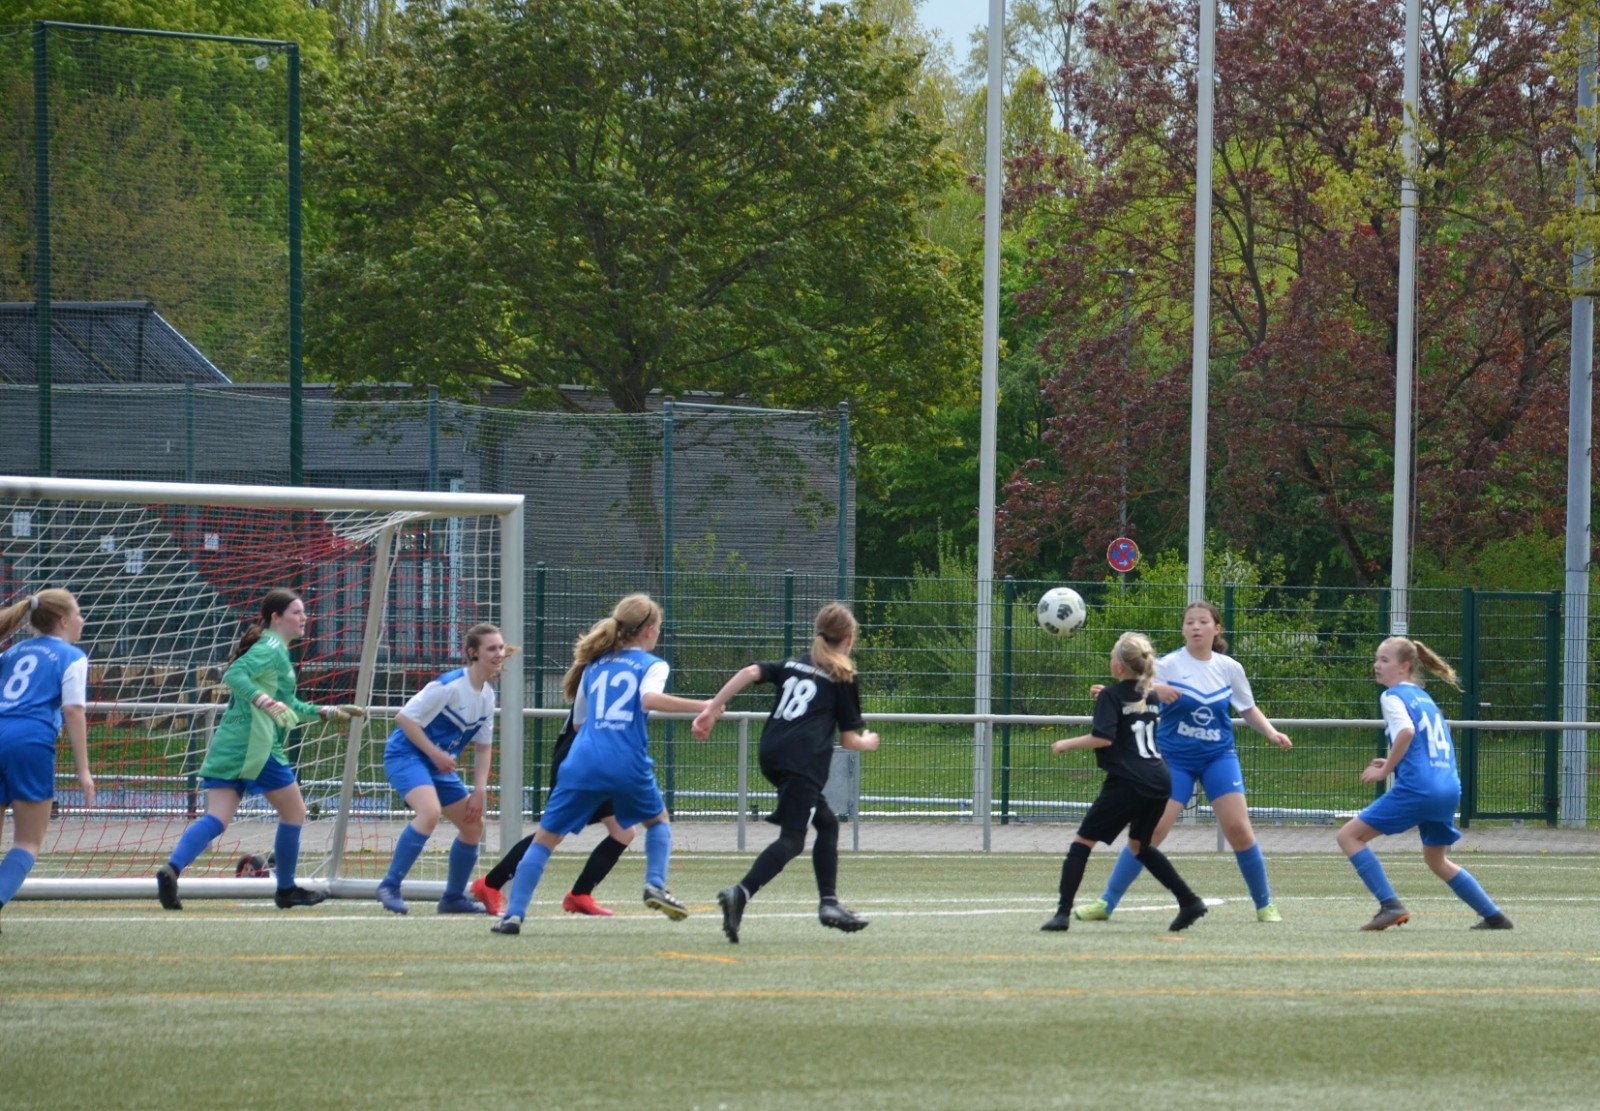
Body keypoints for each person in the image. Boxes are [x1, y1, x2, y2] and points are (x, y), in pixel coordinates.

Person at [490, 593, 708, 936]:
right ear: (649, 630)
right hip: (626, 761)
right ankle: (654, 884)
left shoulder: (593, 667)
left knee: (545, 839)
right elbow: (649, 698)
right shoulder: (653, 665)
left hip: (581, 761)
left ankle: (513, 916)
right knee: (657, 821)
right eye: (659, 628)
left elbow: (579, 723)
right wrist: (704, 705)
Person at [1076, 600, 1291, 924]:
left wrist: (1272, 732)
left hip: (1218, 756)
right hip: (1174, 760)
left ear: (1216, 628)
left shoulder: (1229, 668)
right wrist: (1110, 692)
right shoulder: (1168, 665)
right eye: (1189, 622)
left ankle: (1265, 905)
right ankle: (1106, 903)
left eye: (1203, 621)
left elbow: (1247, 708)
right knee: (1150, 834)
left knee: (1239, 830)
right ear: (1183, 629)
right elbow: (1133, 689)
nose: (1195, 627)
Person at [155, 589, 365, 911]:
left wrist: (328, 712)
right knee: (295, 813)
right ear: (276, 618)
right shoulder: (270, 647)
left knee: (217, 818)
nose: (304, 617)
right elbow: (234, 674)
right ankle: (286, 889)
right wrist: (264, 702)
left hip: (228, 745)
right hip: (257, 746)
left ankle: (171, 869)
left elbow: (289, 704)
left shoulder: (275, 652)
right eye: (296, 612)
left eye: (304, 612)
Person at [692, 602, 880, 944]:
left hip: (772, 752)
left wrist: (710, 709)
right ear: (849, 639)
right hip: (801, 760)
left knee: (826, 823)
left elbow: (749, 672)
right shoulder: (843, 675)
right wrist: (869, 742)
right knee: (792, 840)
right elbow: (849, 740)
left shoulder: (794, 663)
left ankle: (829, 902)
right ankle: (740, 892)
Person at [1335, 636, 1513, 931]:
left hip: (1420, 788)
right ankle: (1494, 916)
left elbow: (1406, 732)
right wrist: (1393, 762)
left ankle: (1390, 905)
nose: (1377, 665)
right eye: (1377, 659)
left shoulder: (1392, 696)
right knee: (1436, 860)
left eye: (1384, 660)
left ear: (1404, 666)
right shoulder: (1425, 699)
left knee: (1349, 837)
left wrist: (1386, 770)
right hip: (1447, 787)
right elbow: (1423, 744)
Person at [1040, 632, 1207, 933]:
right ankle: (1189, 901)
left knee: (1082, 843)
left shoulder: (1113, 696)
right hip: (1159, 780)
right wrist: (1107, 693)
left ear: (1118, 666)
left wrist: (1066, 743)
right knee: (1140, 846)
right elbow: (1129, 705)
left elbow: (1103, 738)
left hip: (1129, 780)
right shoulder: (1148, 695)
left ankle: (1062, 914)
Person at [375, 624, 512, 915]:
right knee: (430, 812)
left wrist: (479, 790)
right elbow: (404, 719)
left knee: (473, 825)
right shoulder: (449, 686)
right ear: (473, 653)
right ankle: (389, 885)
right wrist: (435, 753)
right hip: (406, 755)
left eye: (501, 647)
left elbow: (484, 747)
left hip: (436, 764)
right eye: (492, 648)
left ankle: (452, 899)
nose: (499, 653)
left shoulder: (487, 696)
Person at [470, 710, 633, 918]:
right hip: (582, 761)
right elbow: (581, 724)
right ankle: (491, 885)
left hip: (596, 760)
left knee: (622, 830)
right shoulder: (595, 687)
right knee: (553, 833)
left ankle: (580, 894)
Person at [0, 590, 94, 934]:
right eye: (79, 613)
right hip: (29, 742)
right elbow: (73, 710)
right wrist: (84, 770)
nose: (83, 620)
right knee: (27, 842)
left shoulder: (12, 653)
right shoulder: (72, 656)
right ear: (64, 621)